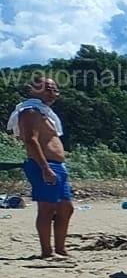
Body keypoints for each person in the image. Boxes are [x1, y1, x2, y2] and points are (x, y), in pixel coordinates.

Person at [9, 76, 71, 260]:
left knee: (66, 208)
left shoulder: (45, 113)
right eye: (46, 88)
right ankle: (47, 251)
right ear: (33, 90)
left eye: (54, 89)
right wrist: (44, 167)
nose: (52, 93)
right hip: (43, 164)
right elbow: (30, 139)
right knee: (47, 208)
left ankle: (60, 248)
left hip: (58, 165)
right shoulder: (30, 111)